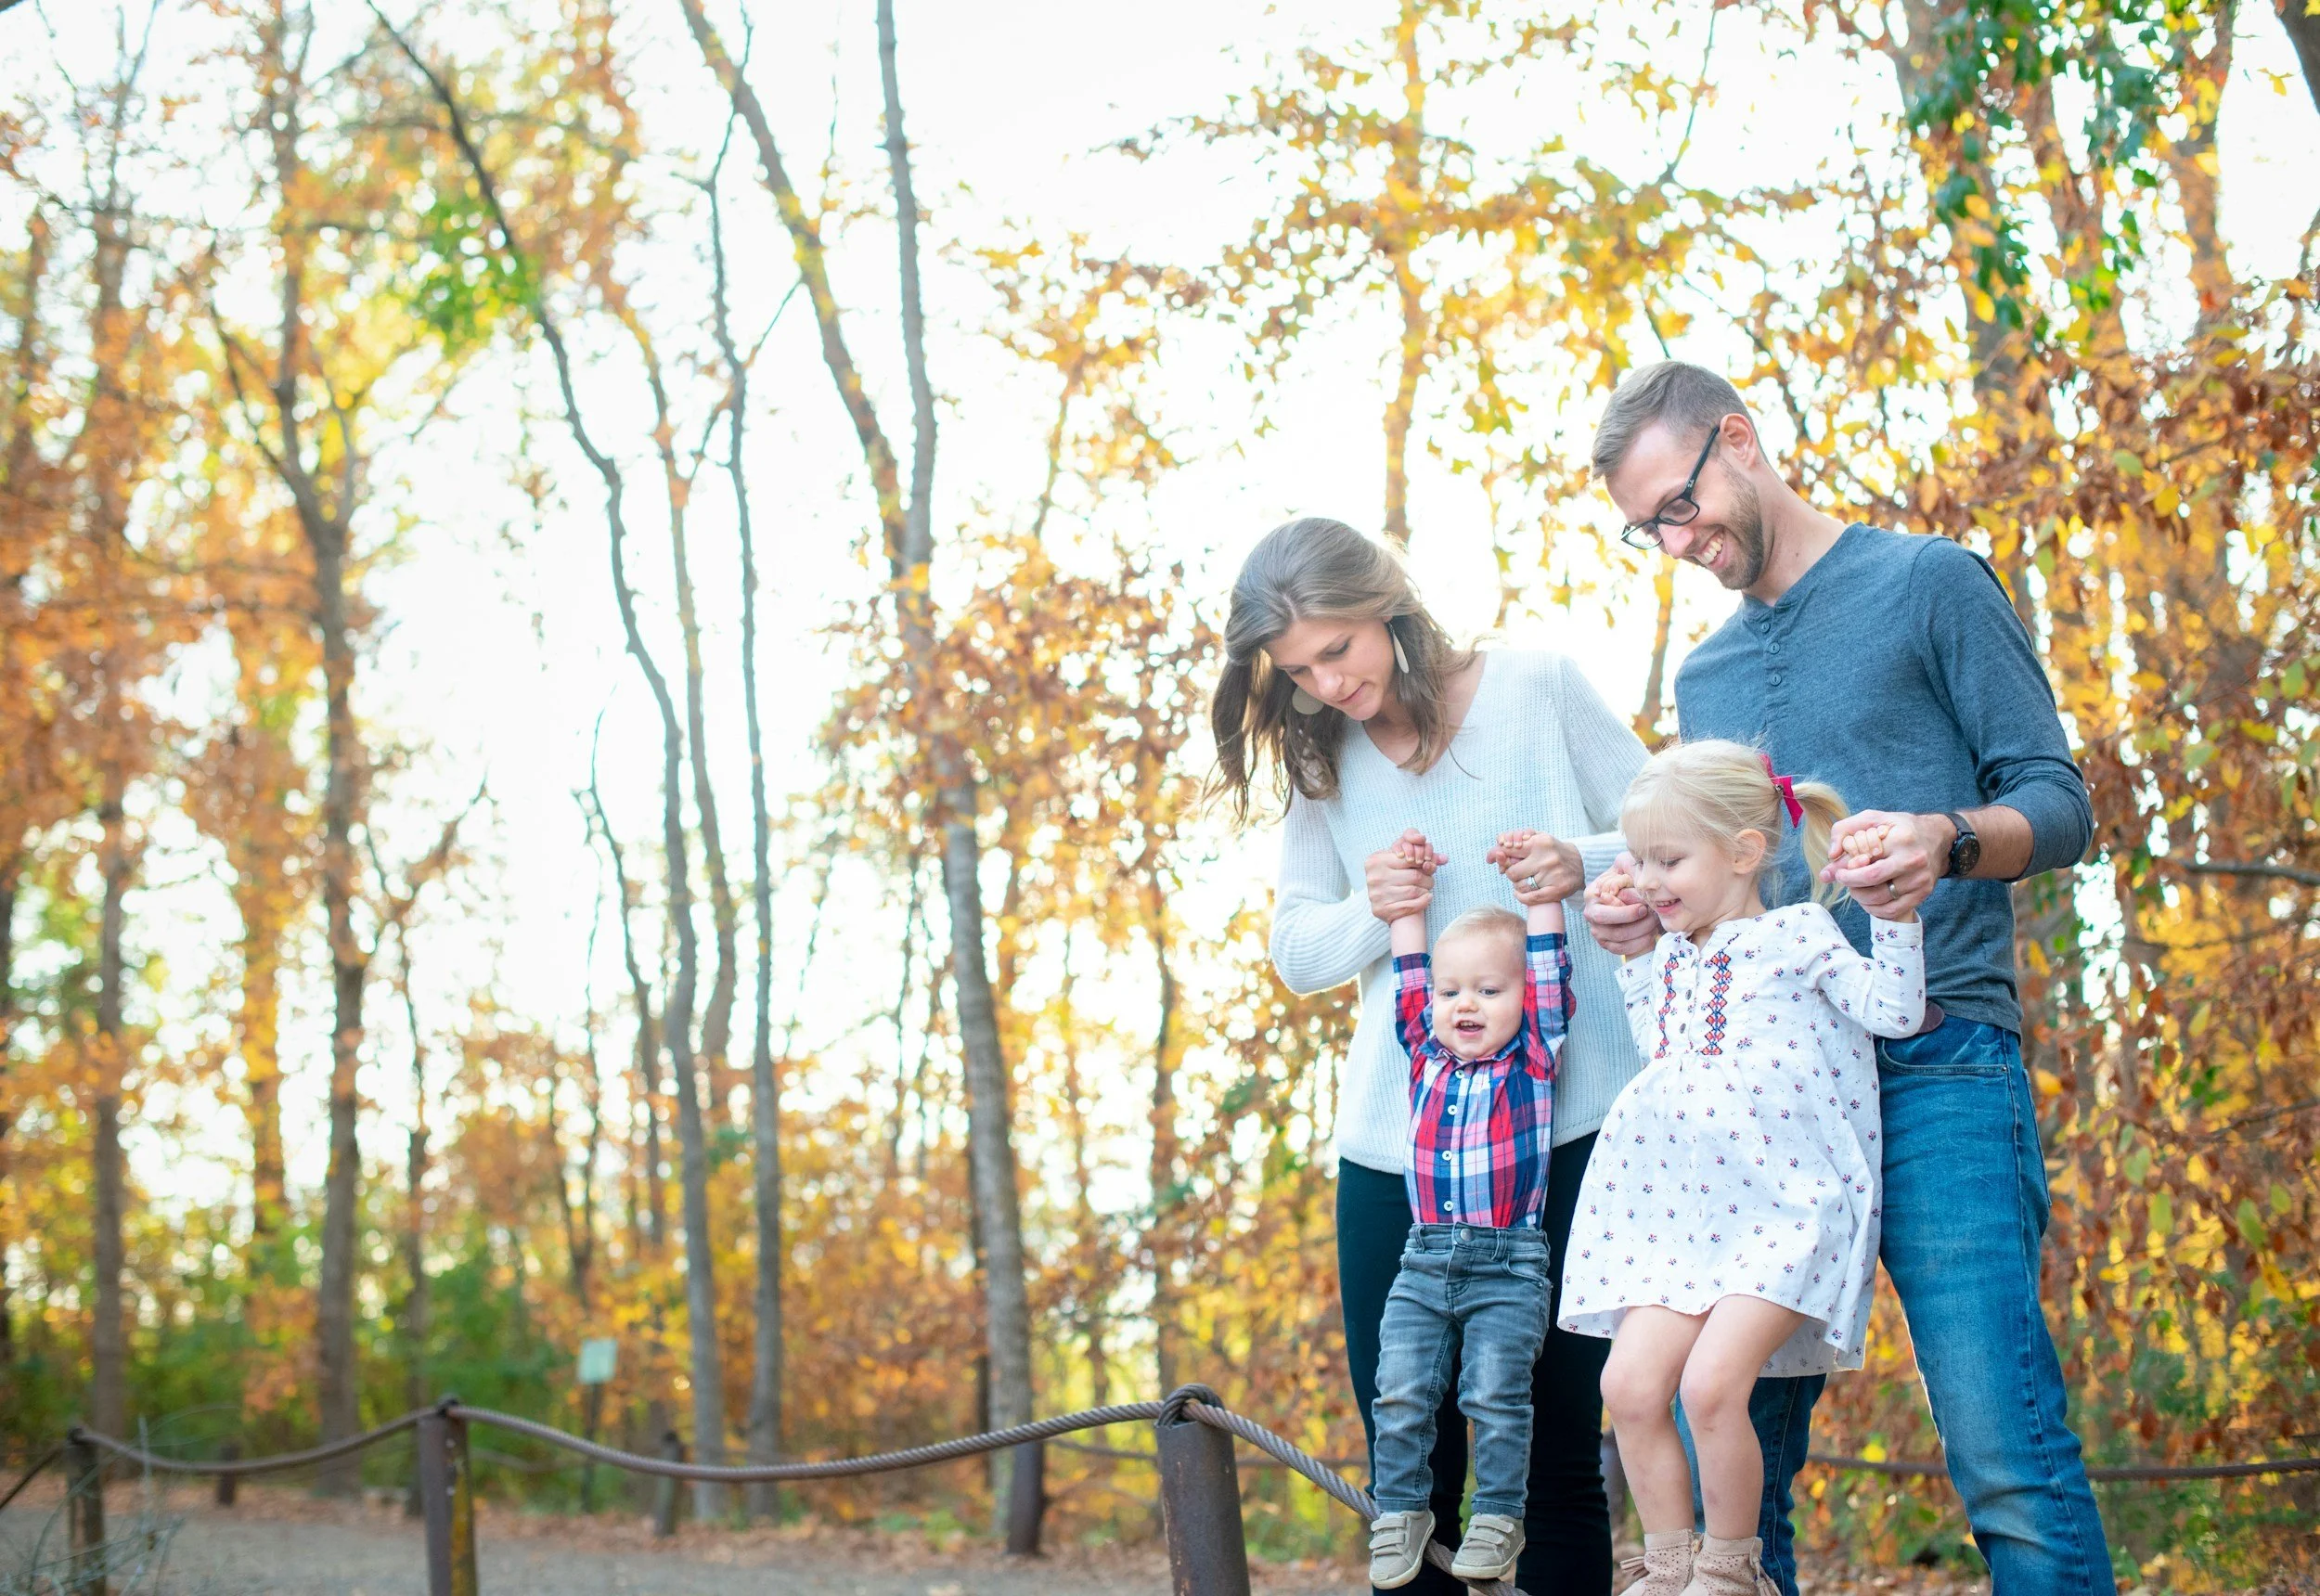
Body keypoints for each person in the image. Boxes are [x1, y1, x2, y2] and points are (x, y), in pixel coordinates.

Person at [1582, 362, 2110, 1596]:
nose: (1676, 539)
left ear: (1739, 441)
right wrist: (1647, 921)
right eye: (1647, 527)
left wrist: (1945, 838)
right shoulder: (1707, 677)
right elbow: (1733, 902)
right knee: (1735, 1493)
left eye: (1677, 503)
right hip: (1756, 1116)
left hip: (1938, 1066)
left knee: (2002, 1447)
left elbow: (2061, 801)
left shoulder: (1929, 582)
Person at [1210, 516, 1648, 1594]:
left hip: (1568, 1133)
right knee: (1407, 1461)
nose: (1326, 683)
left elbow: (1673, 832)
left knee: (1552, 1459)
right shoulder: (1323, 760)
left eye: (1337, 650)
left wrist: (1575, 861)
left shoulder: (1537, 686)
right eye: (1300, 669)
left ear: (1386, 604)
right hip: (1397, 1154)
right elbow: (1296, 948)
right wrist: (1375, 908)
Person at [1561, 740, 1925, 1596]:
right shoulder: (1678, 953)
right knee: (1628, 1384)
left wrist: (1899, 920)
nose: (1646, 880)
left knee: (1712, 1386)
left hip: (1785, 1208)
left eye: (1666, 859)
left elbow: (1896, 1013)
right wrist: (1637, 961)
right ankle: (1668, 1563)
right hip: (1680, 1215)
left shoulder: (1798, 932)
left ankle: (1731, 1568)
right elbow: (1661, 1047)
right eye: (1636, 859)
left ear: (1742, 853)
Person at [1364, 832, 1577, 1588]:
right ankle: (1399, 1510)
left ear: (1524, 1000)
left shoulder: (1535, 1054)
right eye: (1456, 992)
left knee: (1493, 1394)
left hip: (1509, 1265)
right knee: (1400, 1391)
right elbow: (1413, 975)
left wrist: (1542, 899)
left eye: (1490, 991)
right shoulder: (1423, 1050)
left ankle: (1497, 1515)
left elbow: (1551, 971)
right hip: (1421, 1259)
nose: (1465, 1005)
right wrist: (1409, 903)